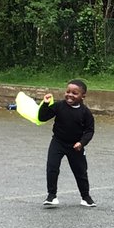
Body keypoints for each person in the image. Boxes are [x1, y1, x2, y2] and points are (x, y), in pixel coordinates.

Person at [38, 79, 96, 208]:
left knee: (80, 171)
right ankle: (51, 196)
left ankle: (85, 197)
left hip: (75, 146)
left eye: (75, 93)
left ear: (83, 96)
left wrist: (81, 143)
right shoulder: (59, 106)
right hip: (58, 142)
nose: (70, 95)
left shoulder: (86, 113)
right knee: (52, 168)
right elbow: (42, 117)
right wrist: (45, 104)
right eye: (68, 92)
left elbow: (89, 131)